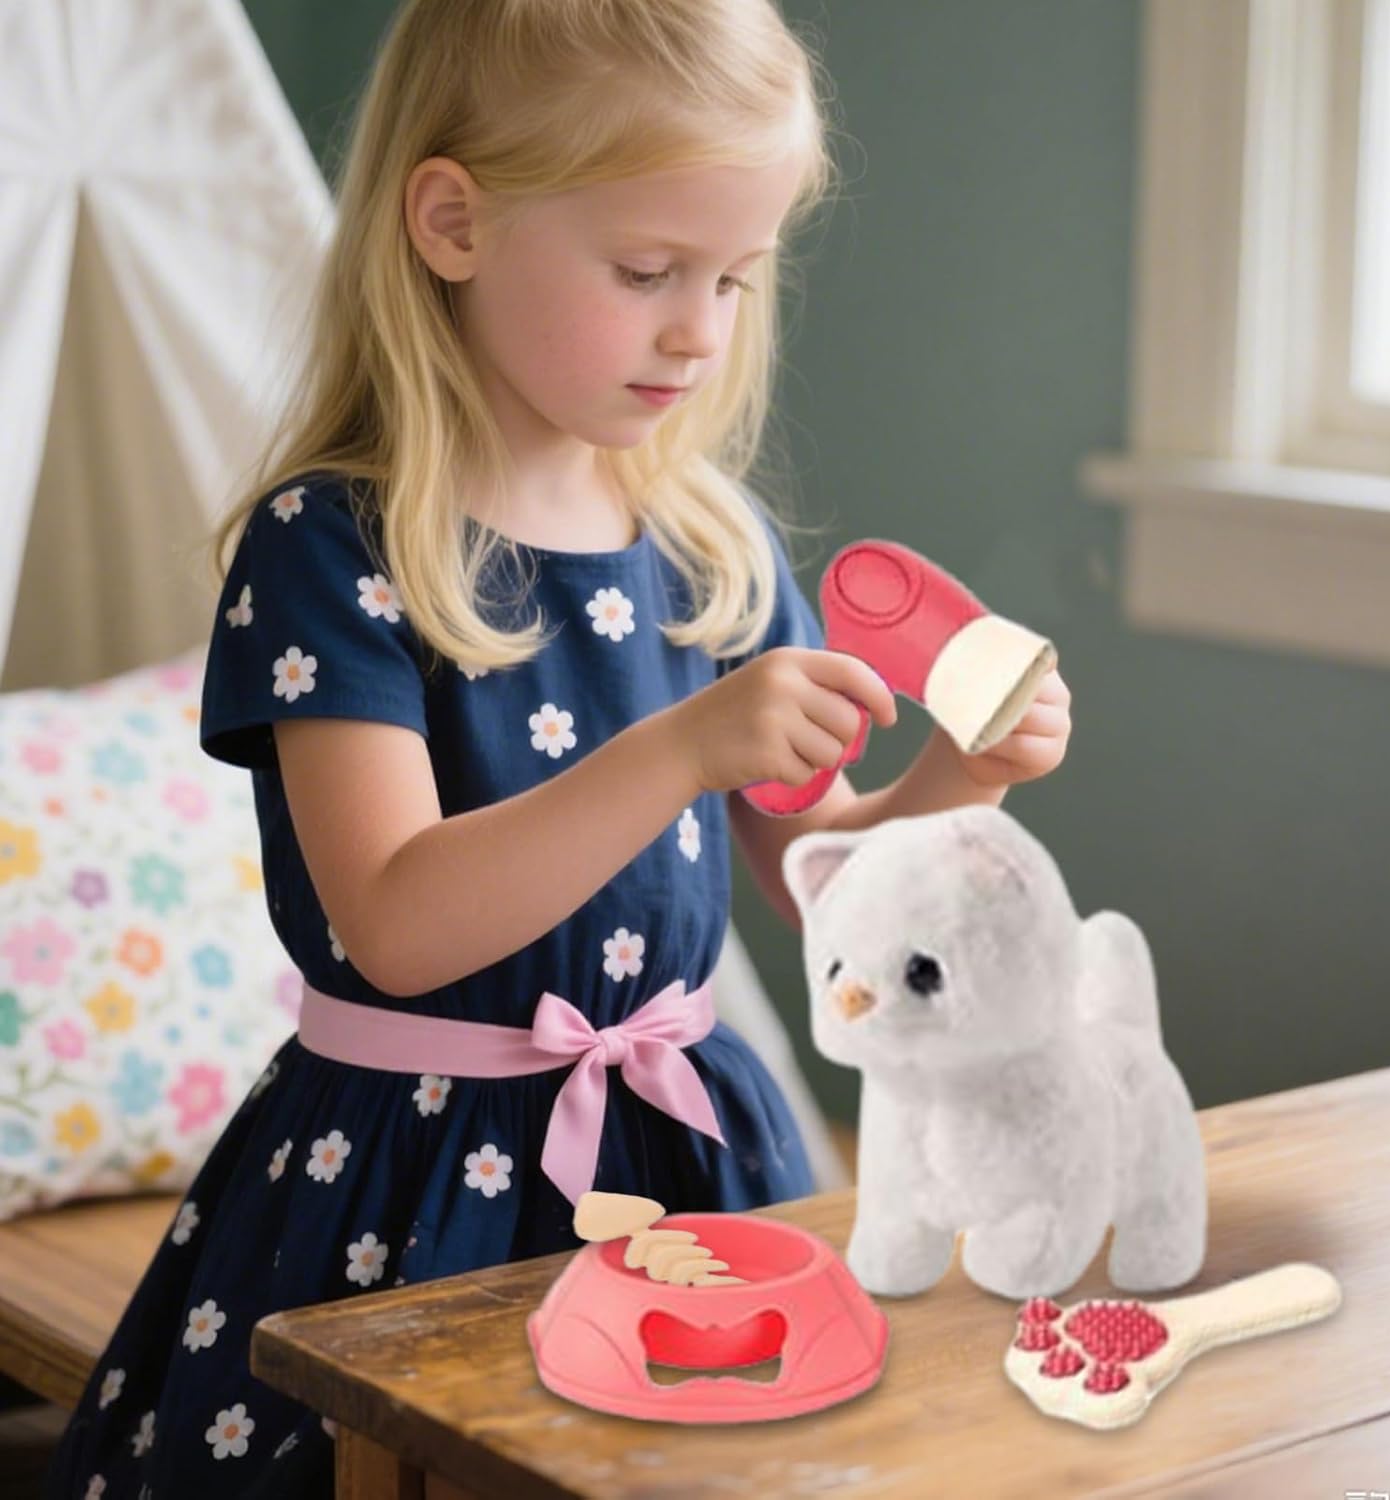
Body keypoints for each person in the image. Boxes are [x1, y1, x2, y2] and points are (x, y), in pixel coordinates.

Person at [49, 0, 1072, 1492]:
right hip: (404, 1183)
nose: (700, 329)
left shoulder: (711, 550)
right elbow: (396, 923)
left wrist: (965, 777)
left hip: (687, 1155)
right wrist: (680, 751)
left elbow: (838, 900)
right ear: (453, 223)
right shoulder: (333, 548)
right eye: (648, 271)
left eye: (735, 276)